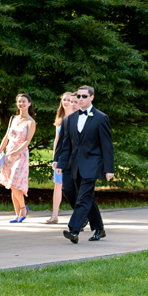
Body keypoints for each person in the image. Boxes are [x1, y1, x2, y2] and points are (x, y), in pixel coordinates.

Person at [54, 85, 114, 243]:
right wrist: (60, 163)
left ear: (92, 97)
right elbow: (66, 145)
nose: (80, 99)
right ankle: (99, 229)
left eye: (84, 96)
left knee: (84, 197)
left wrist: (109, 169)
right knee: (72, 192)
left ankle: (73, 230)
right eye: (79, 97)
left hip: (92, 165)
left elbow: (107, 146)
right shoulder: (69, 119)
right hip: (73, 165)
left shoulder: (101, 118)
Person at [0, 94, 36, 223]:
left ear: (29, 103)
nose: (21, 104)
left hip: (20, 155)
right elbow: (6, 137)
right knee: (11, 186)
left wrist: (18, 151)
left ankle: (23, 209)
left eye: (24, 101)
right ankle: (17, 214)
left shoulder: (31, 122)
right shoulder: (13, 118)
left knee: (14, 183)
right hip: (8, 154)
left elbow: (27, 140)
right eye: (19, 102)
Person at [46, 91, 75, 224]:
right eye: (64, 100)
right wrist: (54, 159)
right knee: (58, 185)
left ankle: (78, 214)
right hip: (61, 157)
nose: (66, 102)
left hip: (73, 157)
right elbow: (56, 141)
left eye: (69, 100)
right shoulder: (60, 119)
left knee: (74, 186)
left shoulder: (77, 117)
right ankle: (55, 215)